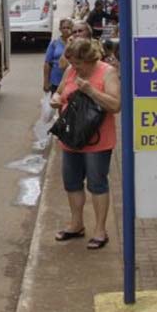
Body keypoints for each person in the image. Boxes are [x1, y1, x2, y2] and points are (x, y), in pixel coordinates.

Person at [49, 38, 121, 250]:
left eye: (78, 64)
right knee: (71, 182)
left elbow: (116, 105)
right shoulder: (71, 71)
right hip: (71, 137)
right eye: (72, 63)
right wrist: (56, 98)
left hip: (97, 140)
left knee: (97, 184)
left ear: (89, 60)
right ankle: (76, 224)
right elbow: (60, 91)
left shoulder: (106, 72)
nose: (74, 67)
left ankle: (100, 229)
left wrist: (91, 91)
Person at [43, 18, 72, 94]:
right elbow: (47, 63)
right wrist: (46, 81)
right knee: (56, 102)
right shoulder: (55, 43)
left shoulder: (76, 42)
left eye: (68, 28)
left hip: (72, 80)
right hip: (56, 80)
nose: (66, 30)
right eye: (64, 28)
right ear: (60, 29)